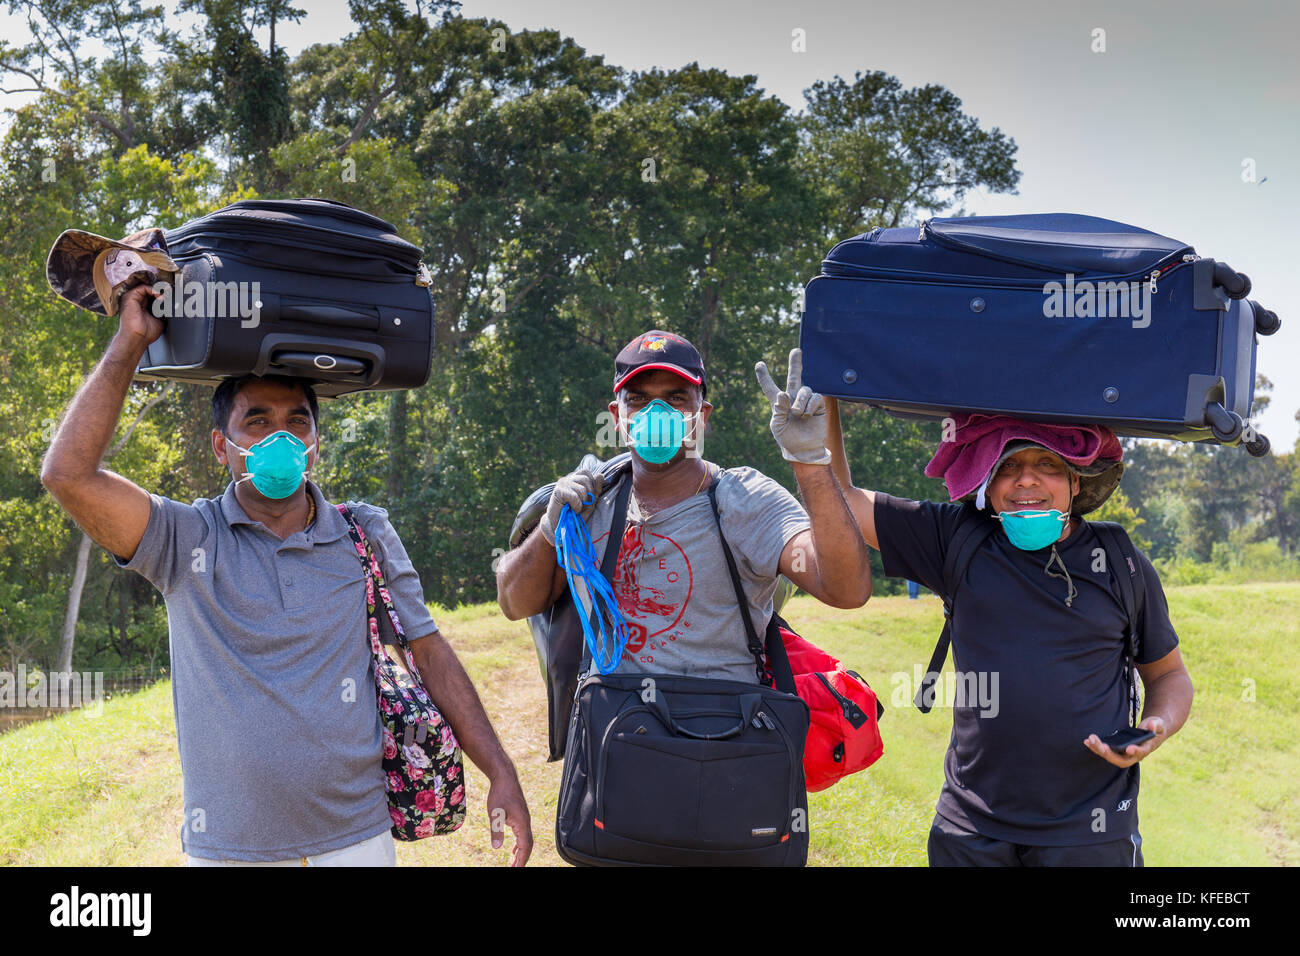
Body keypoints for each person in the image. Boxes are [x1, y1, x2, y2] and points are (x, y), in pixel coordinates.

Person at [40, 283, 532, 866]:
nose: (281, 438)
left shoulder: (364, 533)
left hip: (358, 839)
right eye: (258, 421)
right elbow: (68, 474)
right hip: (231, 849)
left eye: (297, 422)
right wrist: (129, 342)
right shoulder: (184, 539)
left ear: (315, 445)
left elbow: (428, 650)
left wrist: (501, 772)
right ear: (223, 446)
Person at [820, 385, 1193, 866]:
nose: (1027, 482)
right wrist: (823, 411)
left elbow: (1168, 676)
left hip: (1091, 832)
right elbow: (844, 503)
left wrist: (1156, 726)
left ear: (1075, 483)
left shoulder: (1120, 561)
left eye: (1048, 466)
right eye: (1009, 467)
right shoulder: (957, 539)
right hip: (971, 829)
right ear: (988, 487)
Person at [497, 330, 870, 684]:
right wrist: (551, 528)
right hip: (612, 737)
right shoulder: (590, 502)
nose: (657, 413)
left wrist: (810, 463)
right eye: (639, 399)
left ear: (702, 416)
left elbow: (846, 590)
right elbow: (514, 604)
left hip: (722, 737)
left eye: (676, 398)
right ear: (618, 417)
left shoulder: (745, 499)